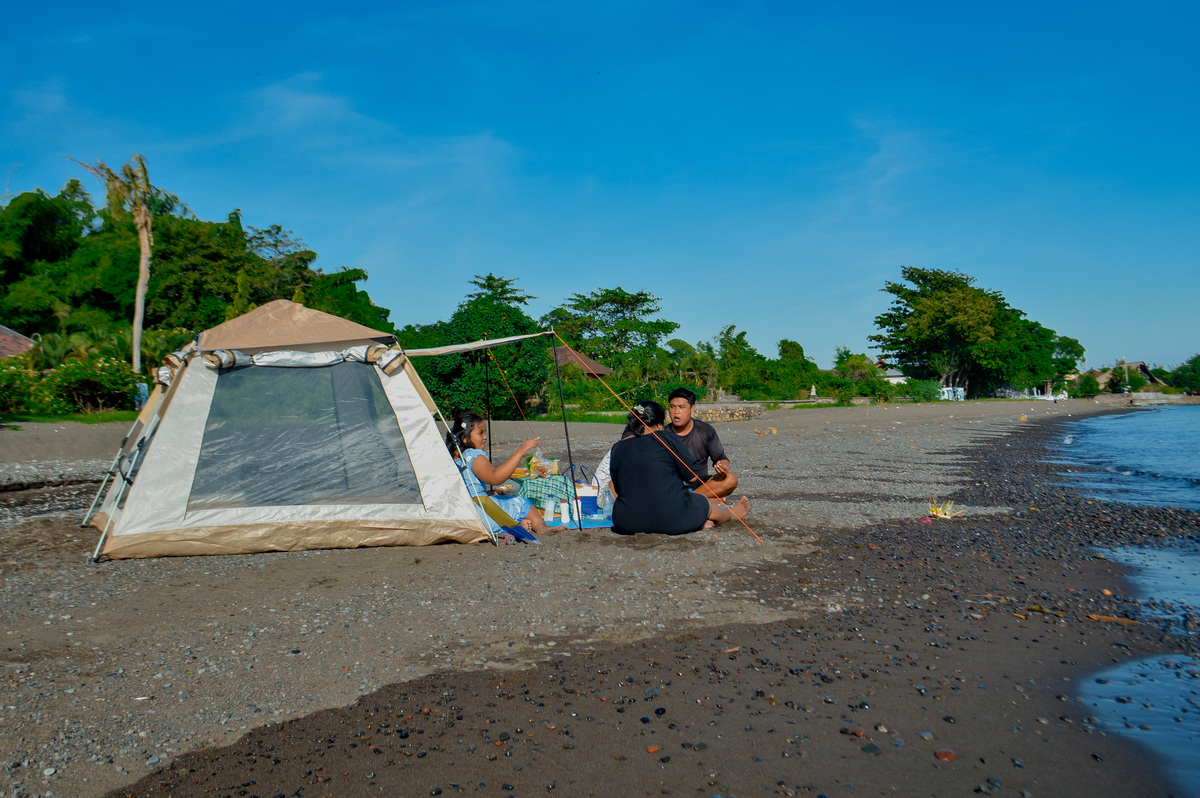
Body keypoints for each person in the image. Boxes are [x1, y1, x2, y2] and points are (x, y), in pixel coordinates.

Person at [609, 401, 749, 536]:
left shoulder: (617, 447)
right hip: (672, 518)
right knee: (703, 503)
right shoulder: (665, 437)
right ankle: (731, 514)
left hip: (625, 522)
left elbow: (618, 487)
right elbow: (692, 476)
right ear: (659, 424)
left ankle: (697, 520)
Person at [446, 413, 566, 535]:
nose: (485, 437)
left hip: (464, 513)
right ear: (465, 439)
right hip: (481, 516)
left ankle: (518, 524)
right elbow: (495, 477)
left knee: (497, 498)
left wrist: (488, 493)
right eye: (480, 433)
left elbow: (469, 491)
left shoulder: (454, 459)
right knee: (522, 503)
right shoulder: (474, 456)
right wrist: (520, 452)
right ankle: (541, 527)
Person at [664, 388, 739, 499]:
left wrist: (723, 466)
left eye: (681, 407)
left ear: (692, 409)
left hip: (700, 484)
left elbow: (720, 457)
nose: (676, 412)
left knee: (731, 479)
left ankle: (689, 501)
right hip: (673, 485)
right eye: (672, 407)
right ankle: (703, 502)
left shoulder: (705, 430)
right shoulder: (662, 434)